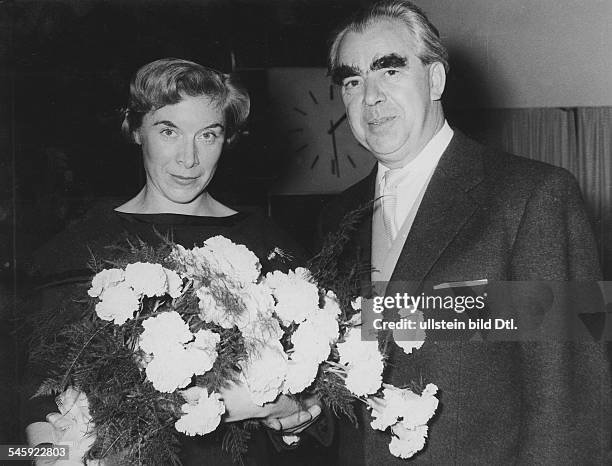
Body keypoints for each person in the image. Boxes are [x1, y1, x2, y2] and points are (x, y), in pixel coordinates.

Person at [319, 1, 611, 464]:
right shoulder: (335, 218)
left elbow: (570, 394)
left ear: (435, 79)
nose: (369, 97)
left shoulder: (532, 196)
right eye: (352, 81)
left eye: (389, 71)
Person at [21, 58, 330, 465]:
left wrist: (284, 408)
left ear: (228, 139)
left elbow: (318, 404)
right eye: (169, 131)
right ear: (136, 131)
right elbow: (35, 389)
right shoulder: (79, 247)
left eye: (208, 135)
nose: (189, 158)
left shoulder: (268, 245)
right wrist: (48, 453)